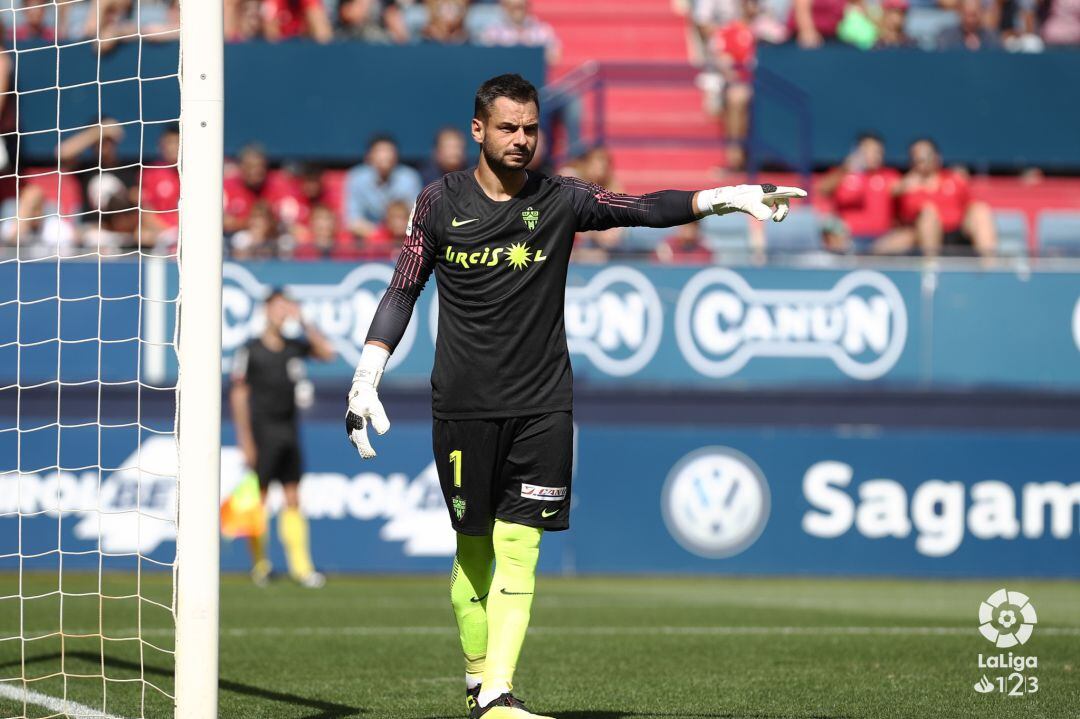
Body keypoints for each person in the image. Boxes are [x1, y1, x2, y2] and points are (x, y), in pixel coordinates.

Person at [344, 74, 804, 719]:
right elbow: (402, 289)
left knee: (521, 546)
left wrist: (723, 199)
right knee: (472, 548)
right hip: (464, 406)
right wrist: (366, 376)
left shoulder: (560, 197)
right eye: (507, 127)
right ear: (478, 130)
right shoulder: (437, 202)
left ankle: (497, 693)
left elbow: (640, 208)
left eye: (530, 128)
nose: (521, 139)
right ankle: (479, 678)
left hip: (543, 404)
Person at [230, 289, 336, 588]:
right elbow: (239, 395)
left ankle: (302, 568)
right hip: (262, 433)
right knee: (259, 498)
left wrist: (303, 320)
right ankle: (260, 566)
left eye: (285, 307)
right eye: (276, 307)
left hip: (289, 430)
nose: (281, 312)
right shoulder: (250, 350)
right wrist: (245, 440)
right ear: (265, 310)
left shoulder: (293, 346)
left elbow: (327, 353)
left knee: (293, 497)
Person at [895, 138, 997, 257]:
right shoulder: (906, 187)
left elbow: (970, 205)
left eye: (927, 154)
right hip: (924, 236)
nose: (923, 159)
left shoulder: (954, 179)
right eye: (917, 156)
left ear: (937, 157)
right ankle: (931, 269)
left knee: (980, 210)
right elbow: (905, 218)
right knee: (928, 215)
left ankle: (990, 266)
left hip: (958, 232)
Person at [818, 132, 904, 254]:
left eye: (879, 152)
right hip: (847, 239)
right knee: (828, 225)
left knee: (904, 237)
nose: (875, 156)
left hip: (882, 241)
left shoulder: (889, 176)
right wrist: (846, 169)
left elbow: (904, 187)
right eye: (869, 150)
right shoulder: (843, 175)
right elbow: (822, 189)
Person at [344, 134, 422, 240]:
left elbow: (416, 218)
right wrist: (380, 235)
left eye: (389, 151)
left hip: (403, 240)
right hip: (367, 241)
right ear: (369, 156)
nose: (384, 155)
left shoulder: (410, 178)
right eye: (379, 151)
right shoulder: (356, 178)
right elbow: (351, 220)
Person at [477, 0, 561, 65]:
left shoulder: (542, 30)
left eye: (520, 7)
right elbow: (484, 58)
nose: (517, 11)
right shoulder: (493, 31)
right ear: (505, 7)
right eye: (513, 7)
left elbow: (554, 59)